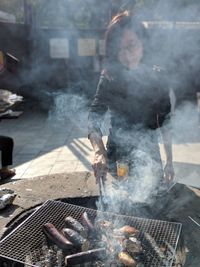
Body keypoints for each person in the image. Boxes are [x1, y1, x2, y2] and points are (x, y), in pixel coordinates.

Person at [88, 11, 174, 202]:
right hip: (117, 154)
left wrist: (169, 161)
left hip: (149, 154)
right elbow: (95, 114)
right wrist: (98, 151)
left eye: (132, 45)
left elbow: (166, 121)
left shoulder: (158, 76)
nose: (126, 55)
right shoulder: (110, 76)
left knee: (152, 205)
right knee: (118, 205)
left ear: (144, 42)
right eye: (120, 49)